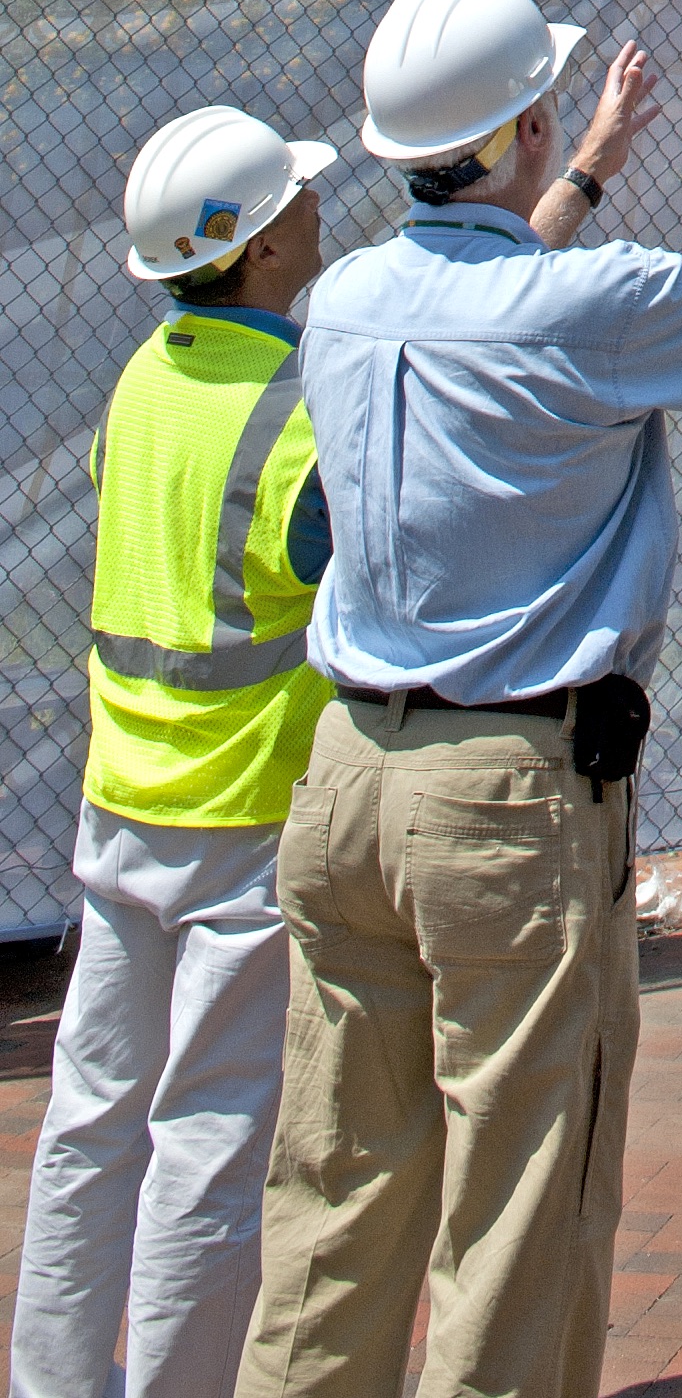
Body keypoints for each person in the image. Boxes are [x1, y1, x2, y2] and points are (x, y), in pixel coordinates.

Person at [231, 0, 682, 1398]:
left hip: (350, 785)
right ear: (530, 130)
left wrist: (591, 174)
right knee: (516, 1214)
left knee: (336, 1198)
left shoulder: (348, 302)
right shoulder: (594, 309)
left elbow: (486, 291)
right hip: (510, 807)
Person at [10, 108, 337, 1398]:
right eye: (296, 201)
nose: (319, 206)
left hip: (120, 801)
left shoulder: (147, 372)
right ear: (256, 250)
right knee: (209, 1137)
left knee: (90, 1124)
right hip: (244, 818)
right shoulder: (296, 411)